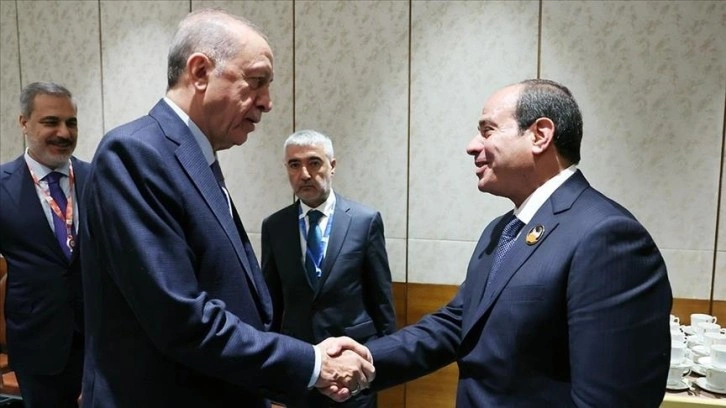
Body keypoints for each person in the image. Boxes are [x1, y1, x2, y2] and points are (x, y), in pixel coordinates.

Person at [79, 9, 372, 407]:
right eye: (257, 81)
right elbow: (180, 318)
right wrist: (311, 363)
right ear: (200, 72)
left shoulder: (194, 158)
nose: (267, 103)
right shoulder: (135, 153)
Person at [361, 79, 673, 406]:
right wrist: (366, 360)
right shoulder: (503, 229)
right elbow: (458, 323)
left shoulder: (607, 237)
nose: (472, 146)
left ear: (540, 135)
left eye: (487, 131)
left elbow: (608, 400)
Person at [262, 130, 397, 408]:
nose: (305, 174)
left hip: (353, 365)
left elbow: (381, 301)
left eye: (314, 163)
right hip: (301, 365)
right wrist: (271, 374)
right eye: (294, 165)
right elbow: (272, 305)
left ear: (332, 166)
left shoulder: (364, 221)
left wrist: (381, 365)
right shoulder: (275, 226)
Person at [0, 82, 87, 407]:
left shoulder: (99, 179)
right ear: (24, 122)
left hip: (99, 342)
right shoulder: (2, 186)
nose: (64, 133)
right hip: (36, 344)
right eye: (51, 122)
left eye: (71, 122)